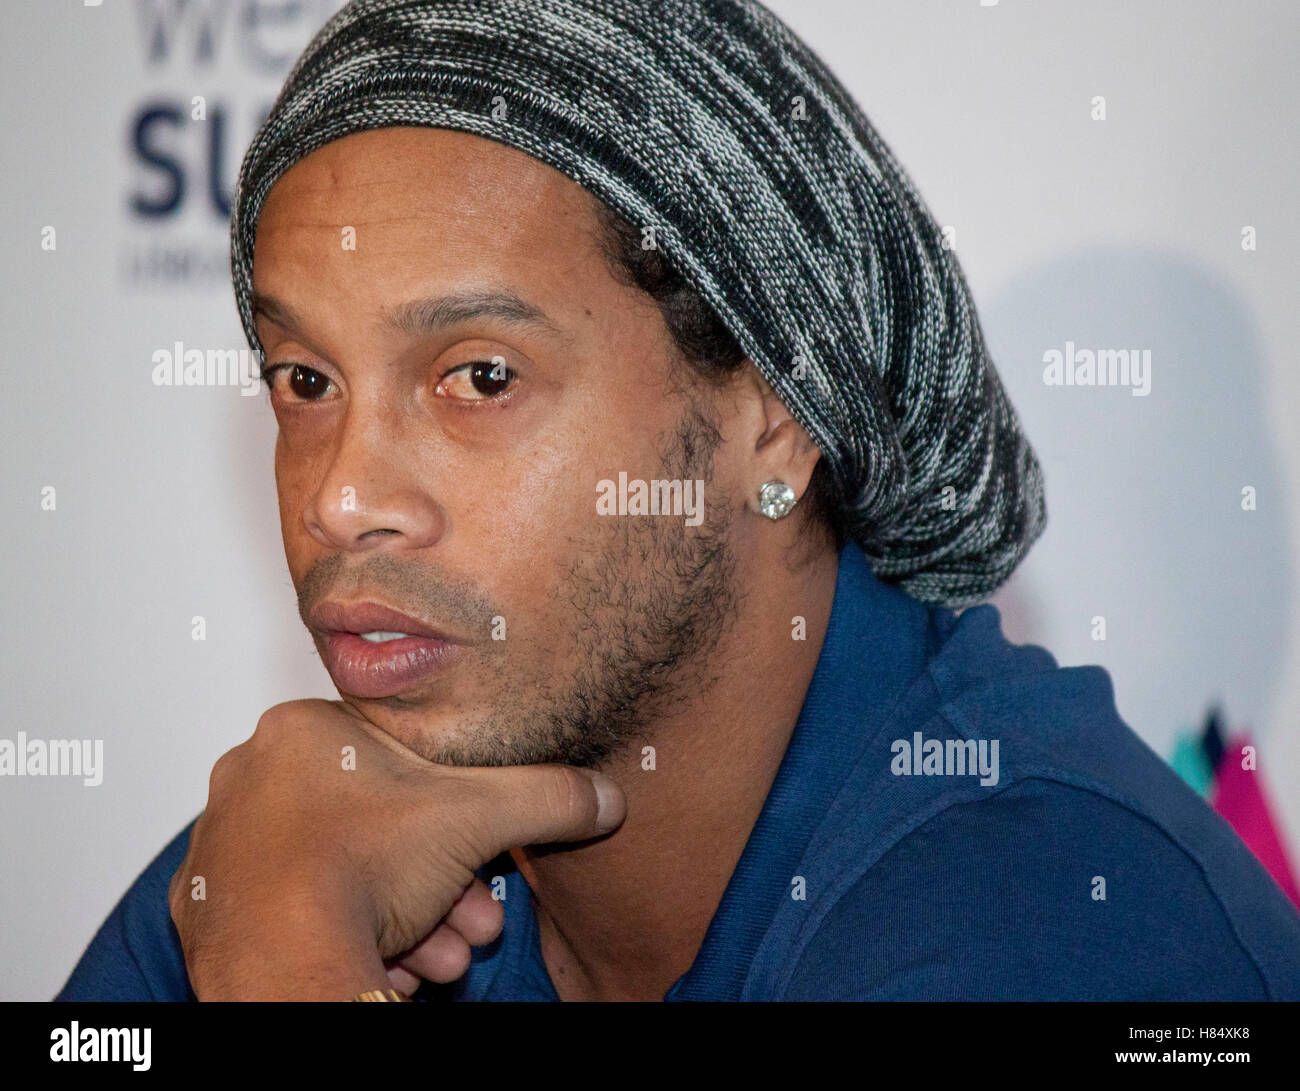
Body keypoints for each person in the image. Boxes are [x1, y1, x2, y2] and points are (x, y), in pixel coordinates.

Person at [57, 0, 1300, 1001]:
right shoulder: (313, 843)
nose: (340, 497)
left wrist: (282, 973)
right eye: (304, 379)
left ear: (775, 420)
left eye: (479, 376)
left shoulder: (1052, 921)